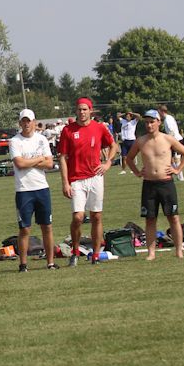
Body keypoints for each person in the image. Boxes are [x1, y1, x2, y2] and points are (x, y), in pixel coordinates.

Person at [57, 98, 119, 266]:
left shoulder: (99, 128)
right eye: (79, 109)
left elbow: (113, 145)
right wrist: (65, 183)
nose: (82, 112)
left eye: (85, 109)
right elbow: (62, 158)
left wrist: (108, 163)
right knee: (78, 217)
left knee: (96, 216)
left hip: (95, 177)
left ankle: (96, 255)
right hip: (76, 179)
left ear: (91, 110)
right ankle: (75, 251)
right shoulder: (68, 130)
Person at [124, 110, 184, 260]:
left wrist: (177, 169)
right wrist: (137, 172)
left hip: (166, 183)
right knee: (150, 219)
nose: (149, 125)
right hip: (149, 185)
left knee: (173, 217)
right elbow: (129, 158)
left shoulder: (168, 139)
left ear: (159, 122)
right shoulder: (141, 141)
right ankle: (151, 253)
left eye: (152, 122)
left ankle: (179, 250)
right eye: (147, 122)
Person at [10, 109, 56, 271]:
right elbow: (20, 164)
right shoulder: (15, 141)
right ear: (20, 123)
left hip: (42, 188)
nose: (26, 124)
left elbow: (49, 164)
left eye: (29, 121)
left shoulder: (41, 139)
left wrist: (30, 161)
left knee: (47, 226)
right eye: (23, 121)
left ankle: (50, 263)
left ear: (34, 122)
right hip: (24, 190)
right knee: (24, 228)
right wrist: (39, 159)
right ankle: (23, 264)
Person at [158, 104, 184, 181]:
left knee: (176, 159)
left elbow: (171, 132)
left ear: (162, 111)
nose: (158, 114)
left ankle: (180, 177)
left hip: (176, 140)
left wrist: (169, 142)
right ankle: (177, 175)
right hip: (175, 140)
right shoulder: (169, 118)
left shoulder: (167, 120)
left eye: (159, 112)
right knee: (171, 159)